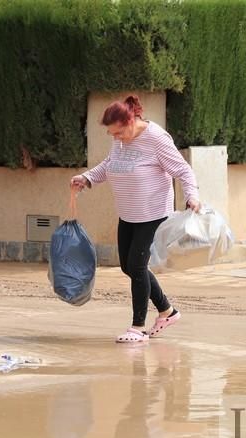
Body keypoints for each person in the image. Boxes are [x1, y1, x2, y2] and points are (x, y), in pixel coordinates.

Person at [70, 95, 200, 343]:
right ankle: (168, 312)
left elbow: (183, 170)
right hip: (128, 212)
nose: (116, 138)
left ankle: (137, 327)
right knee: (128, 266)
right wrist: (87, 178)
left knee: (138, 267)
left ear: (131, 121)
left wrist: (192, 195)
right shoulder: (119, 142)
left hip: (153, 213)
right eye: (112, 134)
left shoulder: (156, 139)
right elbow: (110, 164)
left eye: (118, 132)